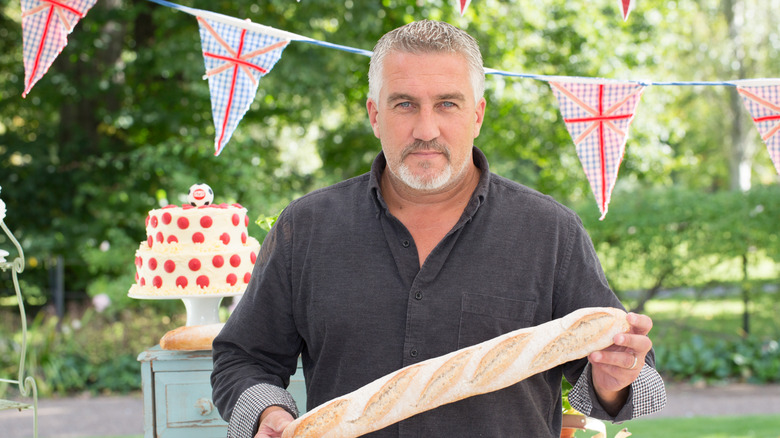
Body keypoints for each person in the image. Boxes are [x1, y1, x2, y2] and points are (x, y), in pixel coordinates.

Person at [211, 20, 666, 438]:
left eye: (447, 104)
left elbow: (632, 380)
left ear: (477, 115)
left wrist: (614, 382)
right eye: (404, 104)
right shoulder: (307, 228)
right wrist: (268, 413)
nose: (425, 129)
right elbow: (243, 357)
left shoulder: (550, 232)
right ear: (374, 115)